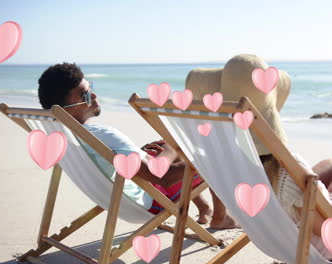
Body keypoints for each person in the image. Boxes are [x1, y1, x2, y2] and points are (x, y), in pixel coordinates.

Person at [185, 54, 332, 263]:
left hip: (273, 237)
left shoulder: (222, 161)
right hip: (314, 246)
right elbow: (326, 230)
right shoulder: (285, 170)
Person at [37, 62, 239, 229]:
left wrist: (166, 151)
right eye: (86, 96)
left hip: (120, 199)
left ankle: (205, 210)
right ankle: (221, 218)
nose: (95, 97)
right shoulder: (105, 136)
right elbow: (165, 178)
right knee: (206, 150)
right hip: (151, 203)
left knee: (167, 149)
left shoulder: (60, 136)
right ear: (65, 109)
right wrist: (182, 149)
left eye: (92, 89)